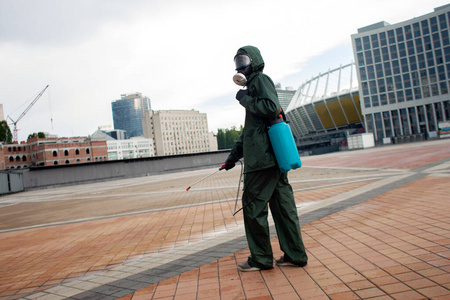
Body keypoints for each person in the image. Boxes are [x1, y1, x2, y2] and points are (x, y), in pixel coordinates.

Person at [223, 45, 308, 272]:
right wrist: (232, 158)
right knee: (283, 207)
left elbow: (271, 108)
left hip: (262, 160)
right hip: (273, 157)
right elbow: (251, 131)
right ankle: (295, 254)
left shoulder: (260, 80)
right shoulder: (255, 85)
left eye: (244, 60)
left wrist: (245, 99)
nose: (240, 66)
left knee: (253, 208)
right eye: (237, 61)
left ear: (255, 61)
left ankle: (260, 259)